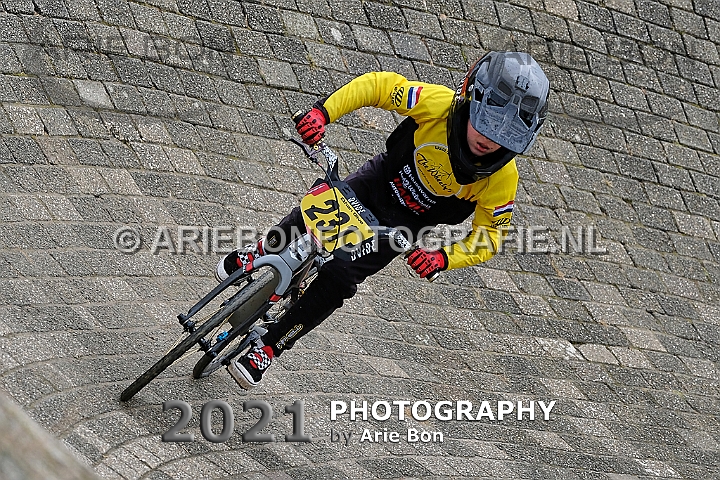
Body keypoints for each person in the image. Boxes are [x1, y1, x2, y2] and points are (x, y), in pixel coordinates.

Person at [217, 51, 550, 389]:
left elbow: (490, 237)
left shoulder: (502, 179)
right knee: (314, 210)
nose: (490, 140)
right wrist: (323, 112)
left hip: (400, 229)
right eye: (485, 122)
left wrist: (442, 258)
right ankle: (262, 250)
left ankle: (270, 348)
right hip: (374, 185)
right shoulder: (437, 104)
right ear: (468, 97)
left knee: (339, 277)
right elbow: (380, 87)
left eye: (505, 136)